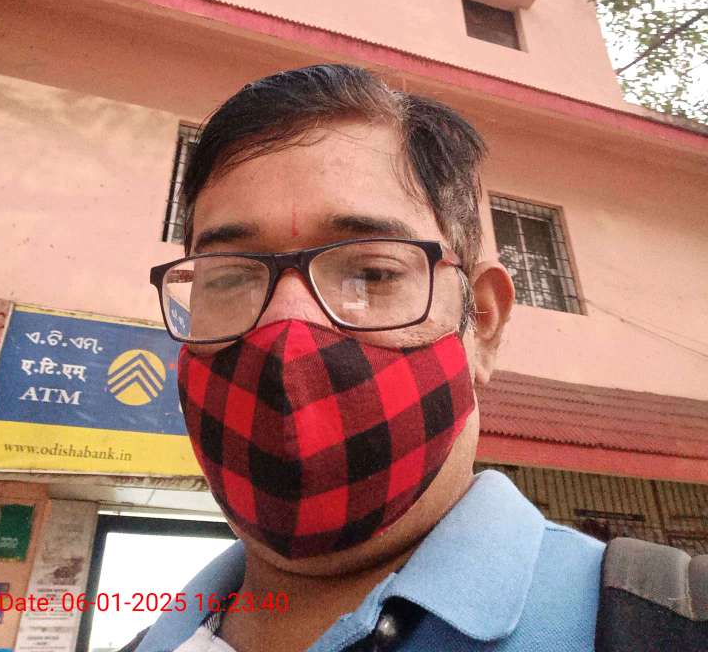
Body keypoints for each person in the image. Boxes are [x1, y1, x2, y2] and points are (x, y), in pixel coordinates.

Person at [131, 64, 605, 652]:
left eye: (372, 272)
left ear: (483, 321)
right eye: (229, 278)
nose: (287, 327)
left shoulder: (662, 624)